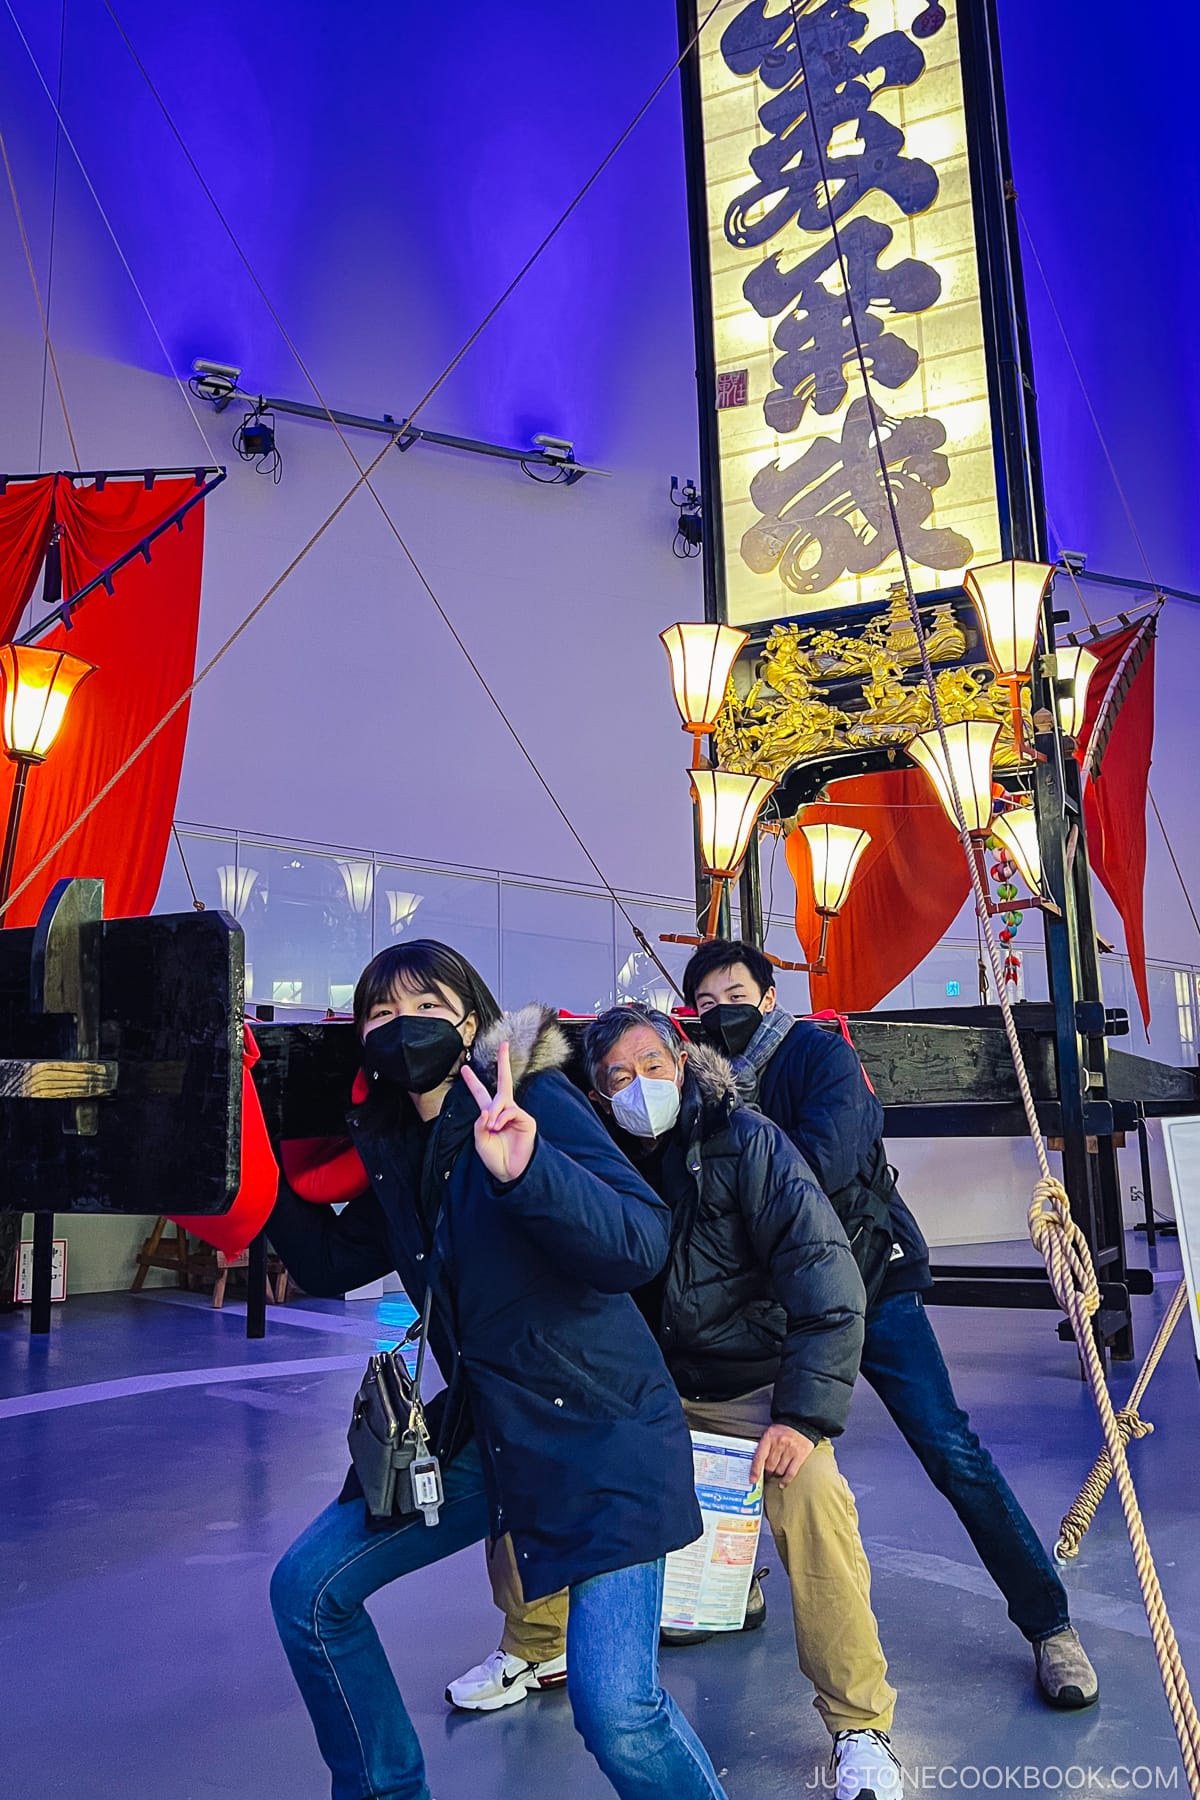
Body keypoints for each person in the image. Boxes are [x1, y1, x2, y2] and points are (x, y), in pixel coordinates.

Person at [266, 941, 731, 1800]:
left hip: (604, 1437)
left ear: (471, 1021)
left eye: (426, 1008)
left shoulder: (537, 1096)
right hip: (493, 1433)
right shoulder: (403, 1149)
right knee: (308, 1590)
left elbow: (638, 1239)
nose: (402, 1028)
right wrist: (250, 1160)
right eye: (379, 1015)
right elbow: (331, 1260)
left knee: (616, 1711)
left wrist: (529, 1171)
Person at [449, 1003, 908, 1800]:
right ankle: (535, 1642)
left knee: (815, 1503)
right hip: (635, 1390)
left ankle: (860, 1723)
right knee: (531, 1462)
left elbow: (827, 1280)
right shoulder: (582, 1153)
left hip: (748, 1387)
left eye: (652, 1066)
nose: (639, 1086)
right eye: (616, 1076)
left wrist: (801, 1416)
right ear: (593, 1093)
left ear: (684, 1060)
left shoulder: (749, 1142)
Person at [682, 939, 1099, 1712]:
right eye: (703, 1005)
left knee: (948, 1448)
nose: (720, 1012)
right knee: (741, 1442)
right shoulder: (701, 1087)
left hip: (870, 1285)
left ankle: (1049, 1624)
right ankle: (736, 1585)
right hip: (777, 1302)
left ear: (770, 996)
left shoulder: (819, 1058)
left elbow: (822, 1164)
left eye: (734, 994)